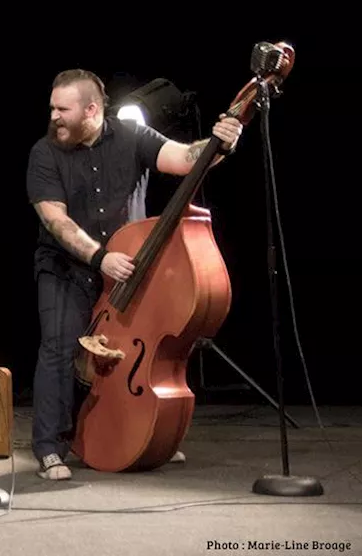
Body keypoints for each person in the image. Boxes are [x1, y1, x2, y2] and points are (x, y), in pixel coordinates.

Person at [25, 69, 242, 481]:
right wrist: (99, 257)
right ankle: (50, 448)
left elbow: (183, 159)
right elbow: (57, 222)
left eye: (61, 109)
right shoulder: (43, 153)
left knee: (133, 356)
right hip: (65, 267)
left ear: (91, 110)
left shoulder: (131, 137)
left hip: (127, 269)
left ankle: (146, 435)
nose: (53, 115)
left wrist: (219, 144)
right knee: (58, 346)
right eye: (52, 107)